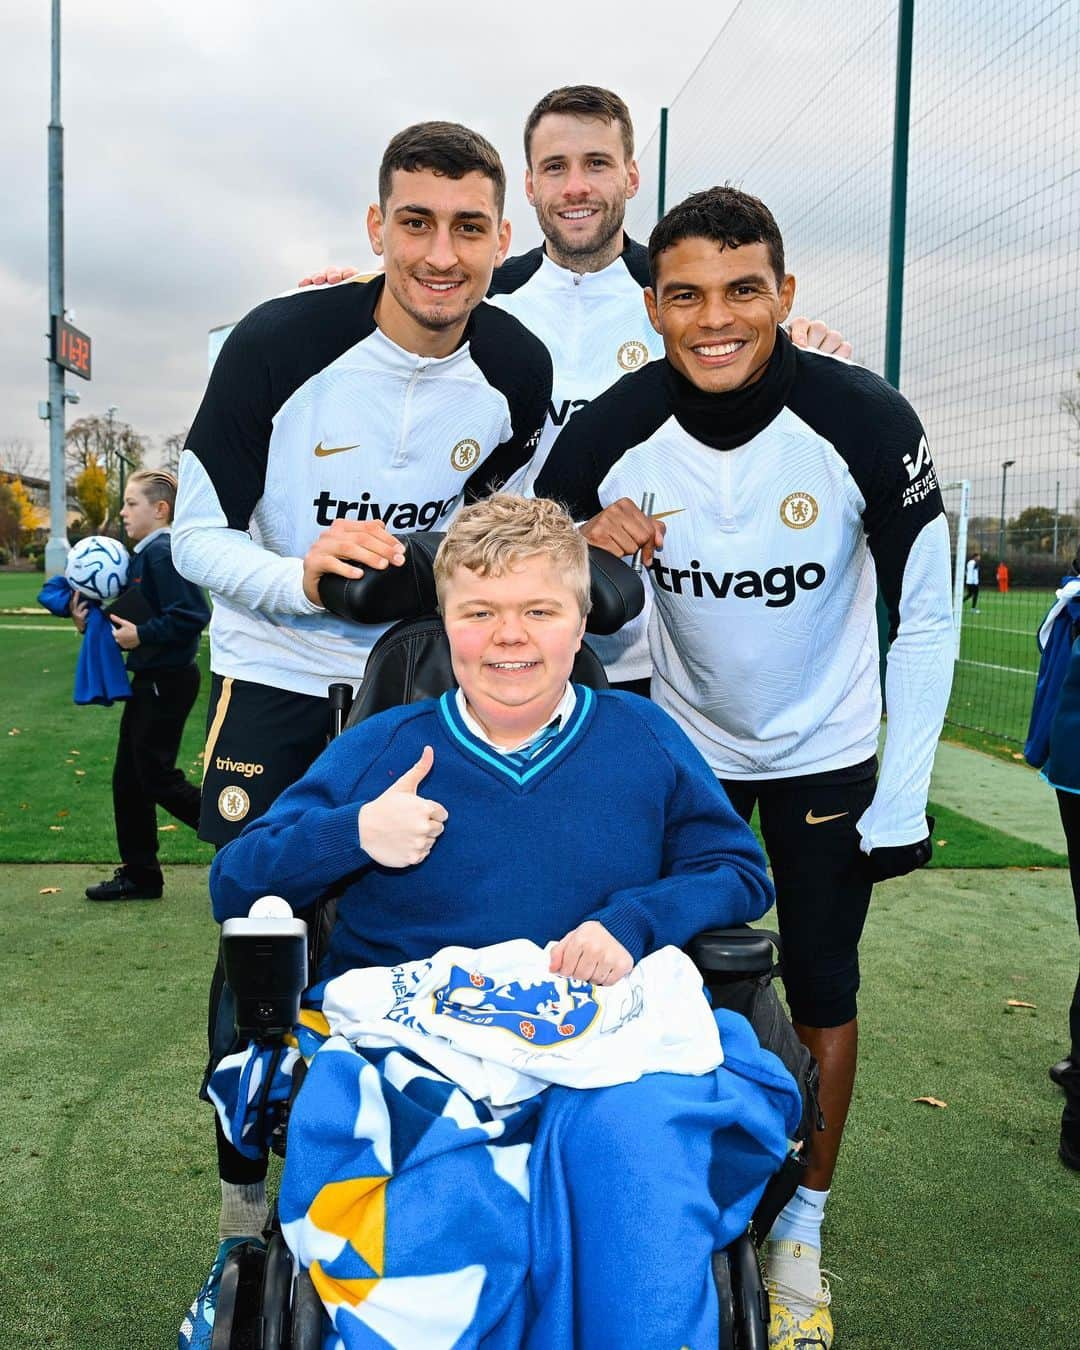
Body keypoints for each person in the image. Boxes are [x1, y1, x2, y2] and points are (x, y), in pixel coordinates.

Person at [207, 494, 803, 1347]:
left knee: (639, 1161)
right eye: (479, 613)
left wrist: (633, 921)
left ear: (580, 620)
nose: (509, 637)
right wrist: (355, 833)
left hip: (600, 1032)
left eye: (538, 611)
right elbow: (237, 880)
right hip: (422, 1038)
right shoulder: (386, 744)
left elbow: (736, 869)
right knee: (439, 1200)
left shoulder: (642, 734)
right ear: (446, 623)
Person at [534, 185, 955, 1348]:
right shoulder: (611, 424)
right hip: (686, 750)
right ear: (653, 302)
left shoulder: (865, 417)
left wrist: (905, 794)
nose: (714, 318)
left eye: (742, 291)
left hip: (829, 751)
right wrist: (580, 542)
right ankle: (669, 1200)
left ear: (784, 295)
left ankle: (802, 1230)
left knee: (821, 985)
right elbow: (538, 598)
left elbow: (926, 616)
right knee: (650, 973)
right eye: (686, 295)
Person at [173, 122, 553, 1348]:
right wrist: (300, 572)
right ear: (376, 225)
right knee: (261, 934)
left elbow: (488, 529)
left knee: (420, 922)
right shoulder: (278, 344)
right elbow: (192, 539)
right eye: (417, 222)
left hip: (415, 689)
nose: (442, 254)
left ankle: (401, 1163)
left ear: (502, 237)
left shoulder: (521, 365)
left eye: (469, 226)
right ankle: (244, 1203)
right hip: (276, 674)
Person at [300, 85, 852, 695]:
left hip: (647, 648)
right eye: (555, 168)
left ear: (632, 175)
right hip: (504, 634)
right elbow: (400, 310)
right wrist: (343, 296)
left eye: (597, 164)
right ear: (530, 185)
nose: (576, 188)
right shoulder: (479, 294)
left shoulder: (682, 295)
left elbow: (754, 340)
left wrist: (798, 342)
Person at [73, 470, 209, 902]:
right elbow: (140, 614)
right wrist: (91, 624)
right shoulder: (146, 556)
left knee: (155, 777)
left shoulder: (162, 553)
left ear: (160, 509)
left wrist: (141, 637)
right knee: (129, 780)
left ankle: (244, 837)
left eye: (132, 504)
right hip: (153, 680)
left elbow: (192, 615)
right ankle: (141, 875)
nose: (123, 512)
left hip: (166, 682)